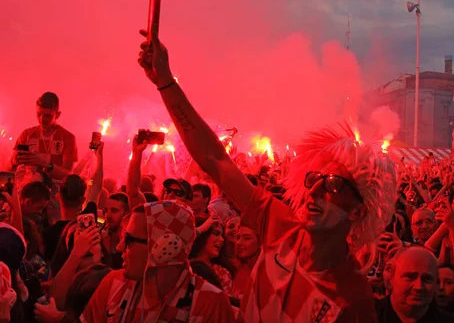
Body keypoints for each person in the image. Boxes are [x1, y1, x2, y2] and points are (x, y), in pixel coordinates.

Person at [137, 30, 398, 321]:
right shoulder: (279, 226)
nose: (314, 191)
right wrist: (165, 82)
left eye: (333, 185)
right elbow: (215, 160)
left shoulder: (355, 298)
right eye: (313, 179)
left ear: (358, 210)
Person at [81, 200, 235, 322]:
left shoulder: (210, 303)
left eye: (130, 240)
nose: (120, 247)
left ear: (165, 247)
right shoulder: (113, 284)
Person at [376, 247, 454, 322]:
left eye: (427, 279)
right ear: (391, 278)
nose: (418, 287)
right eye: (410, 277)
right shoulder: (369, 316)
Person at [11, 92, 77, 181]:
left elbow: (68, 174)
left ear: (57, 115)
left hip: (54, 191)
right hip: (27, 189)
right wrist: (14, 161)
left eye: (47, 116)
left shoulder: (68, 138)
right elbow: (9, 168)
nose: (42, 119)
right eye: (39, 114)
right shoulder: (27, 134)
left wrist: (45, 164)